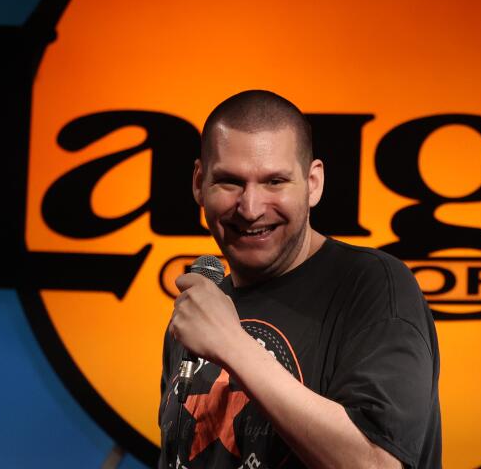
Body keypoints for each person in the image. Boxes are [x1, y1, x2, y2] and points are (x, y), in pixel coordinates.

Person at [159, 90, 442, 469]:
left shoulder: (373, 286)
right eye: (230, 182)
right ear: (199, 183)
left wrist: (232, 345)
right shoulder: (203, 309)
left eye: (275, 181)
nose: (251, 208)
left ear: (313, 184)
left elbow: (377, 464)